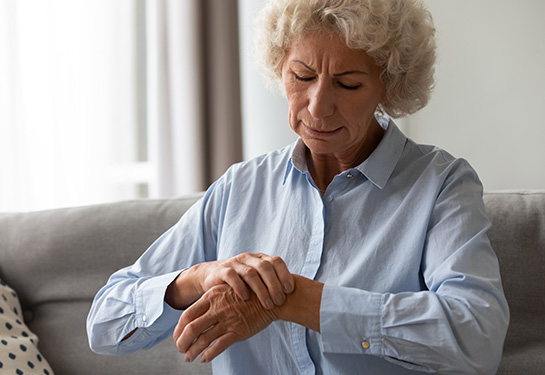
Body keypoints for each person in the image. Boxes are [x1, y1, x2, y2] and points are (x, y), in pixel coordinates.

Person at [87, 0, 510, 373]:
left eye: (348, 84)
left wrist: (294, 300)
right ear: (279, 67)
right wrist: (198, 277)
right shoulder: (241, 187)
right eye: (302, 76)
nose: (318, 105)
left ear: (391, 85)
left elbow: (477, 338)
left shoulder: (440, 184)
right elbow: (104, 324)